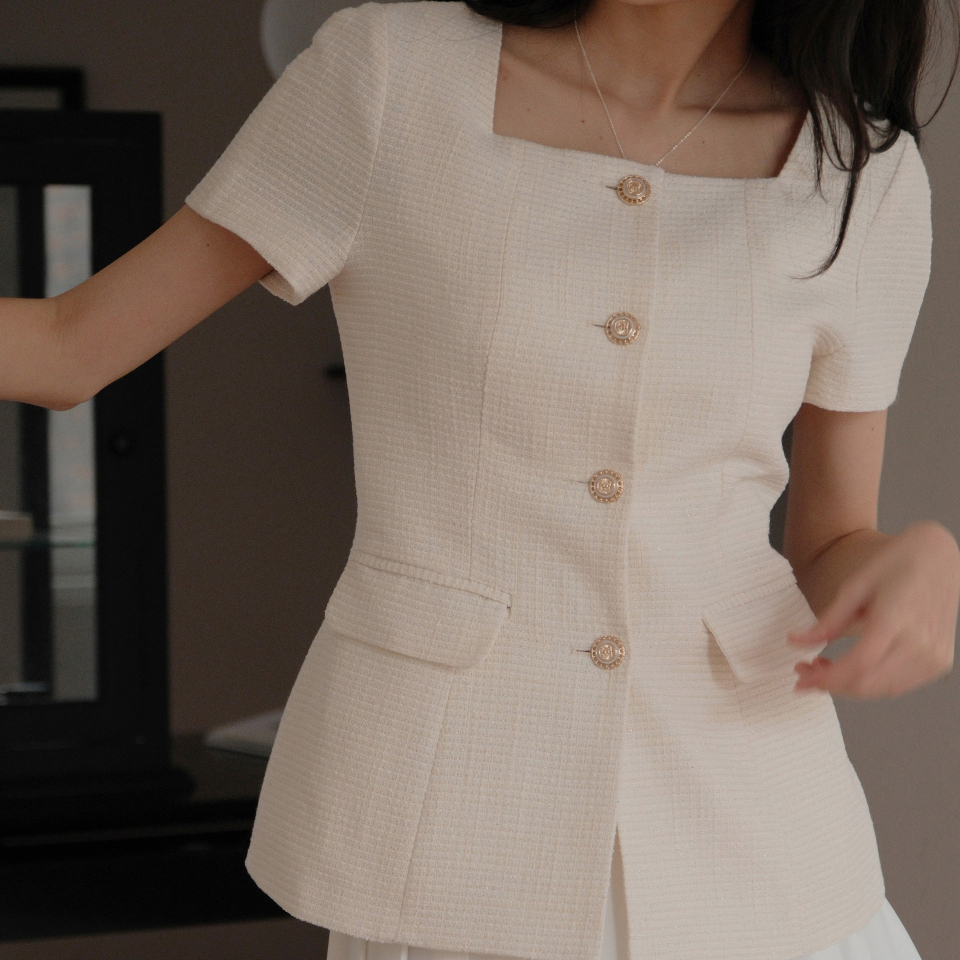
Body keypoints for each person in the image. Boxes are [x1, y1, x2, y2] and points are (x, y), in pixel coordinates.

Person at [2, 0, 959, 958]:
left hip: (765, 839)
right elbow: (66, 347)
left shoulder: (861, 172)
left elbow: (832, 542)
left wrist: (915, 559)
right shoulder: (391, 73)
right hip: (457, 824)